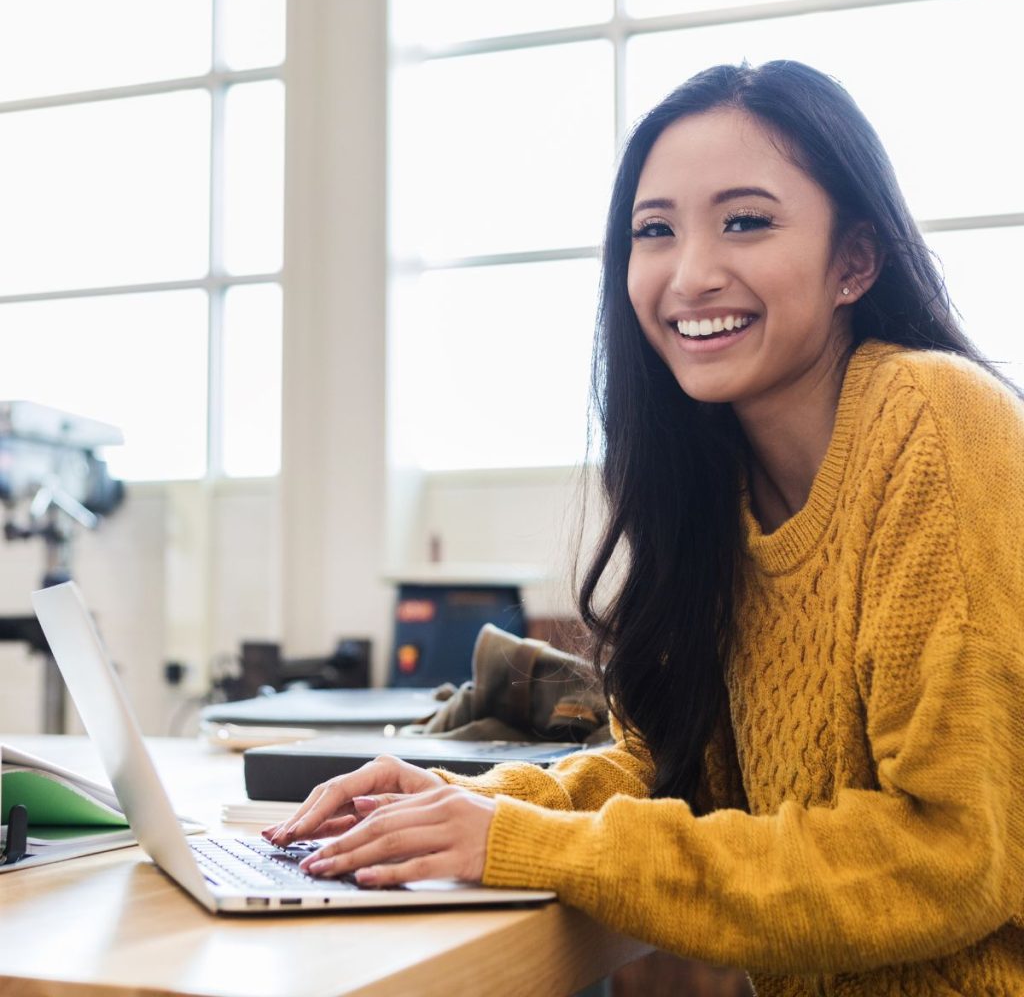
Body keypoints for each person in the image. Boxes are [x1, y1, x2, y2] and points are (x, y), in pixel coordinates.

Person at [265, 61, 1024, 995]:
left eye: (746, 221)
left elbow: (954, 852)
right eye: (654, 231)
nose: (691, 274)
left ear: (854, 262)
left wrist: (532, 845)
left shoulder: (937, 420)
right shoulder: (709, 482)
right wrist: (466, 804)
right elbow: (662, 770)